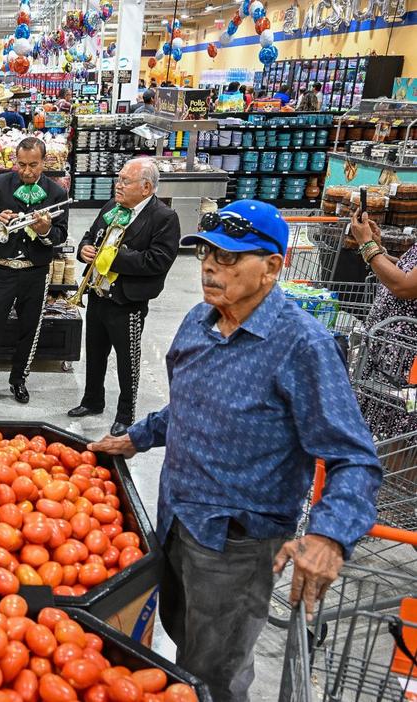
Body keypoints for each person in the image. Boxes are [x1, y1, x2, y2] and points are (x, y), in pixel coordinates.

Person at [89, 199, 381, 702]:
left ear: (271, 268)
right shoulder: (196, 324)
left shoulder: (302, 346)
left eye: (228, 258)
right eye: (206, 253)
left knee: (213, 674)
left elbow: (354, 458)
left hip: (238, 545)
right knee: (181, 640)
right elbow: (188, 407)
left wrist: (330, 538)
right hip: (175, 520)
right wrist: (137, 436)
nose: (209, 266)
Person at [69, 158, 179, 436]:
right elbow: (89, 235)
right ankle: (92, 400)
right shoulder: (111, 207)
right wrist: (84, 249)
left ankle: (125, 413)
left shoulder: (163, 217)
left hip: (127, 300)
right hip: (97, 294)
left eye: (124, 181)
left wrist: (112, 257)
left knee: (127, 359)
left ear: (145, 188)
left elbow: (158, 261)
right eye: (118, 179)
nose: (118, 185)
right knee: (94, 353)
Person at [0, 138, 68, 406]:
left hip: (36, 272)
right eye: (22, 164)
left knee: (30, 329)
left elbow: (60, 235)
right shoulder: (1, 184)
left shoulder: (56, 193)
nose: (27, 171)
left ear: (44, 162)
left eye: (33, 165)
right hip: (2, 270)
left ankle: (19, 380)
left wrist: (45, 230)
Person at [347, 209, 417, 439]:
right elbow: (407, 272)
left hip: (404, 357)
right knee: (383, 426)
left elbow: (405, 286)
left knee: (400, 433)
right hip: (389, 350)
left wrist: (367, 245)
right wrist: (378, 249)